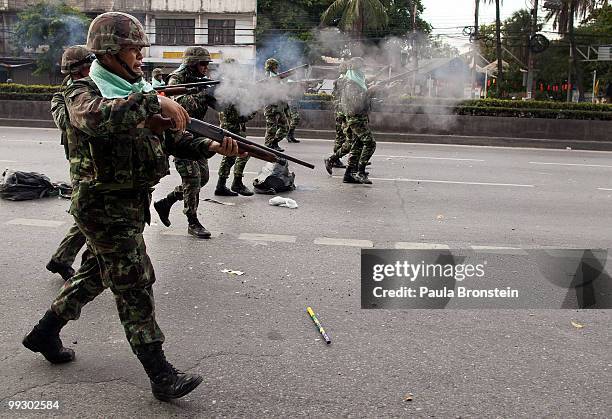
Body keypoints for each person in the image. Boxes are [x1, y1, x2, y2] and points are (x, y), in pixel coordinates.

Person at [22, 12, 243, 402]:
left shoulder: (132, 87)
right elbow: (98, 118)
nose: (140, 56)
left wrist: (211, 145)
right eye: (133, 49)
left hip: (130, 204)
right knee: (135, 283)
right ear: (108, 52)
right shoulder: (83, 91)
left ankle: (44, 333)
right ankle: (160, 374)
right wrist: (154, 99)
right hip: (102, 206)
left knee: (94, 276)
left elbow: (166, 140)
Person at [153, 47, 218, 238]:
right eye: (202, 64)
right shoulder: (176, 78)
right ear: (192, 63)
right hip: (178, 135)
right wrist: (203, 93)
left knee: (203, 178)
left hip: (197, 135)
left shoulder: (202, 80)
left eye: (207, 64)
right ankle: (192, 221)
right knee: (193, 179)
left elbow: (217, 105)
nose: (205, 68)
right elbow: (179, 105)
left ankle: (167, 202)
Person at [45, 45, 94, 280]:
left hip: (97, 162)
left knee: (90, 215)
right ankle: (68, 261)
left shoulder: (94, 89)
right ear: (78, 71)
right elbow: (68, 123)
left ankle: (61, 259)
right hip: (83, 163)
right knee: (89, 215)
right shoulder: (62, 97)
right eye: (88, 66)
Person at [215, 58, 255, 197]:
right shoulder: (227, 87)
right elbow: (235, 115)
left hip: (232, 126)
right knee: (235, 155)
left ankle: (224, 184)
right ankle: (233, 183)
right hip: (231, 126)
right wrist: (251, 111)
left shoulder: (227, 85)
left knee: (232, 156)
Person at [337, 57, 379, 184]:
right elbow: (356, 102)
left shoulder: (358, 82)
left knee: (357, 145)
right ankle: (360, 172)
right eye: (361, 68)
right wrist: (370, 91)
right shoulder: (350, 83)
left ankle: (349, 174)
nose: (363, 70)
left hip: (360, 117)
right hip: (355, 118)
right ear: (355, 69)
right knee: (370, 143)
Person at [263, 58, 290, 152]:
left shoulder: (276, 76)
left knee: (285, 127)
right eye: (276, 66)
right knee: (271, 128)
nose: (277, 68)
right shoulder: (269, 77)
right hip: (271, 107)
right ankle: (269, 146)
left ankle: (273, 143)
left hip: (278, 106)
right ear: (272, 67)